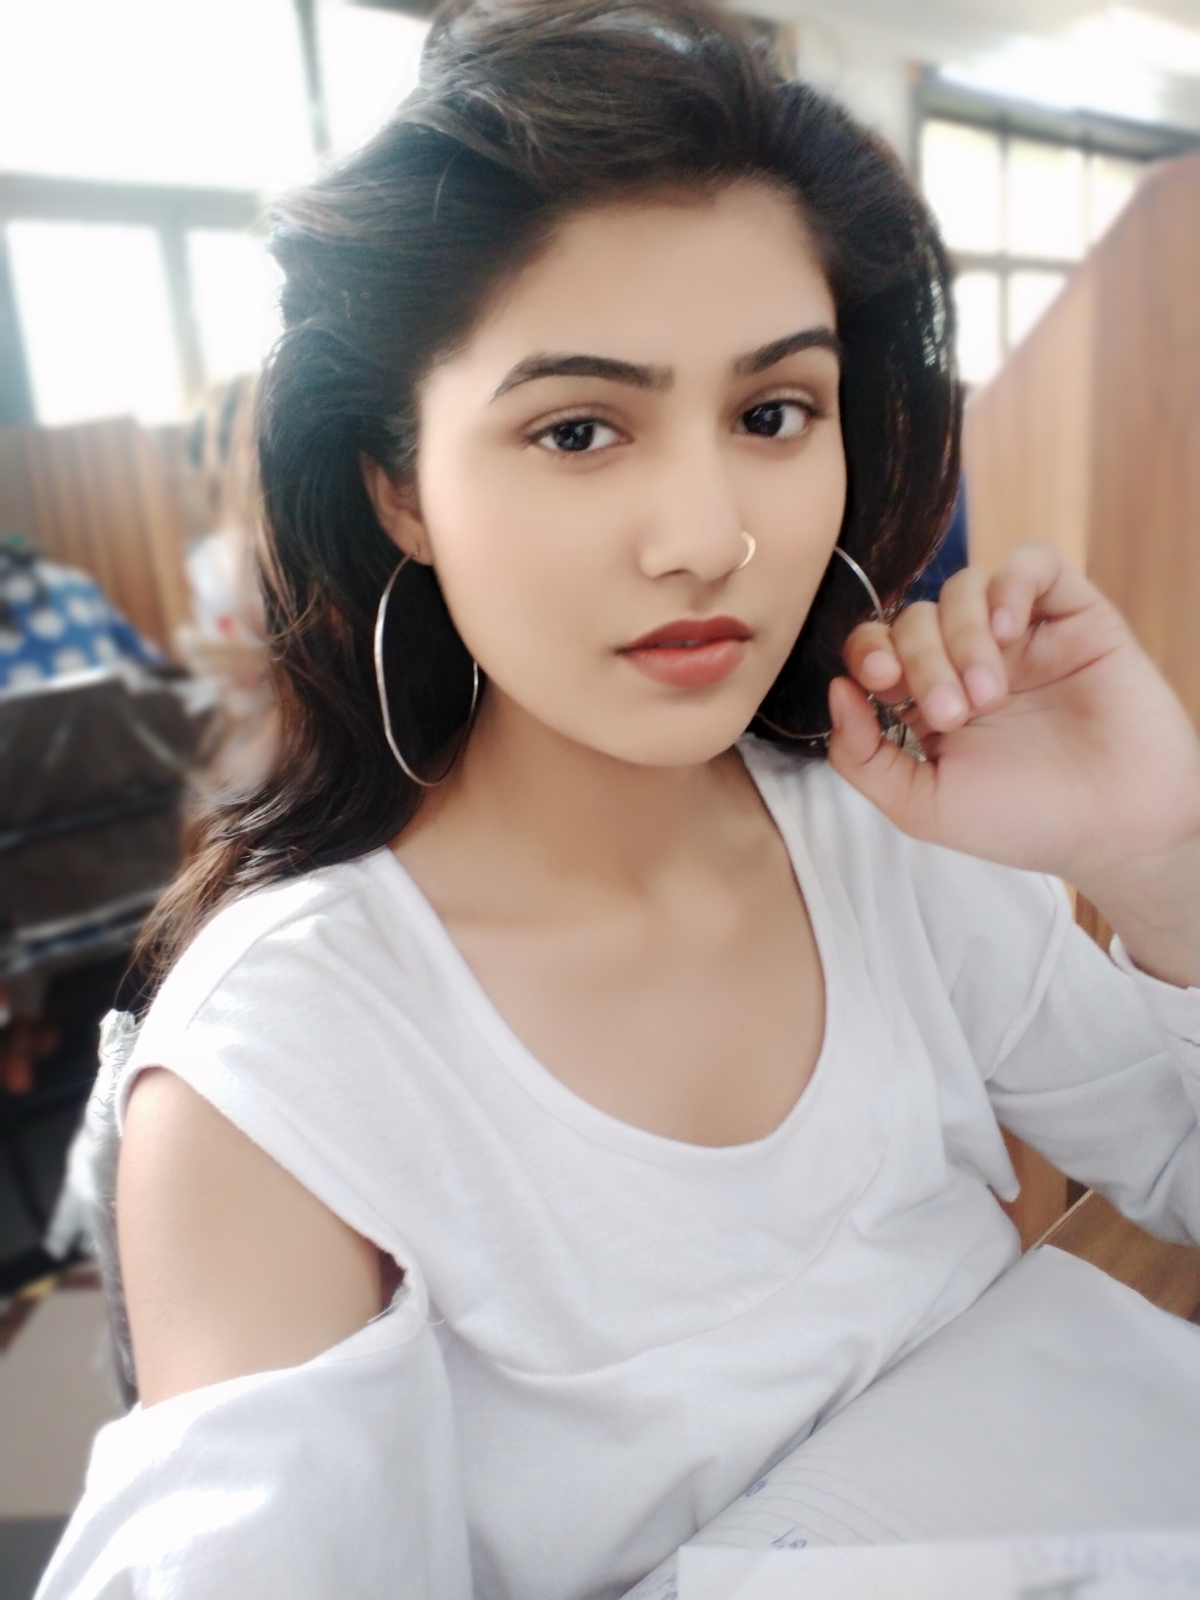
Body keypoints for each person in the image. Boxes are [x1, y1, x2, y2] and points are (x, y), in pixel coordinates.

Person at [37, 1, 1199, 1596]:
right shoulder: (283, 1073)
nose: (708, 535)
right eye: (578, 429)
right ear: (399, 487)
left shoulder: (877, 837)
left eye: (773, 414)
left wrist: (1155, 856)